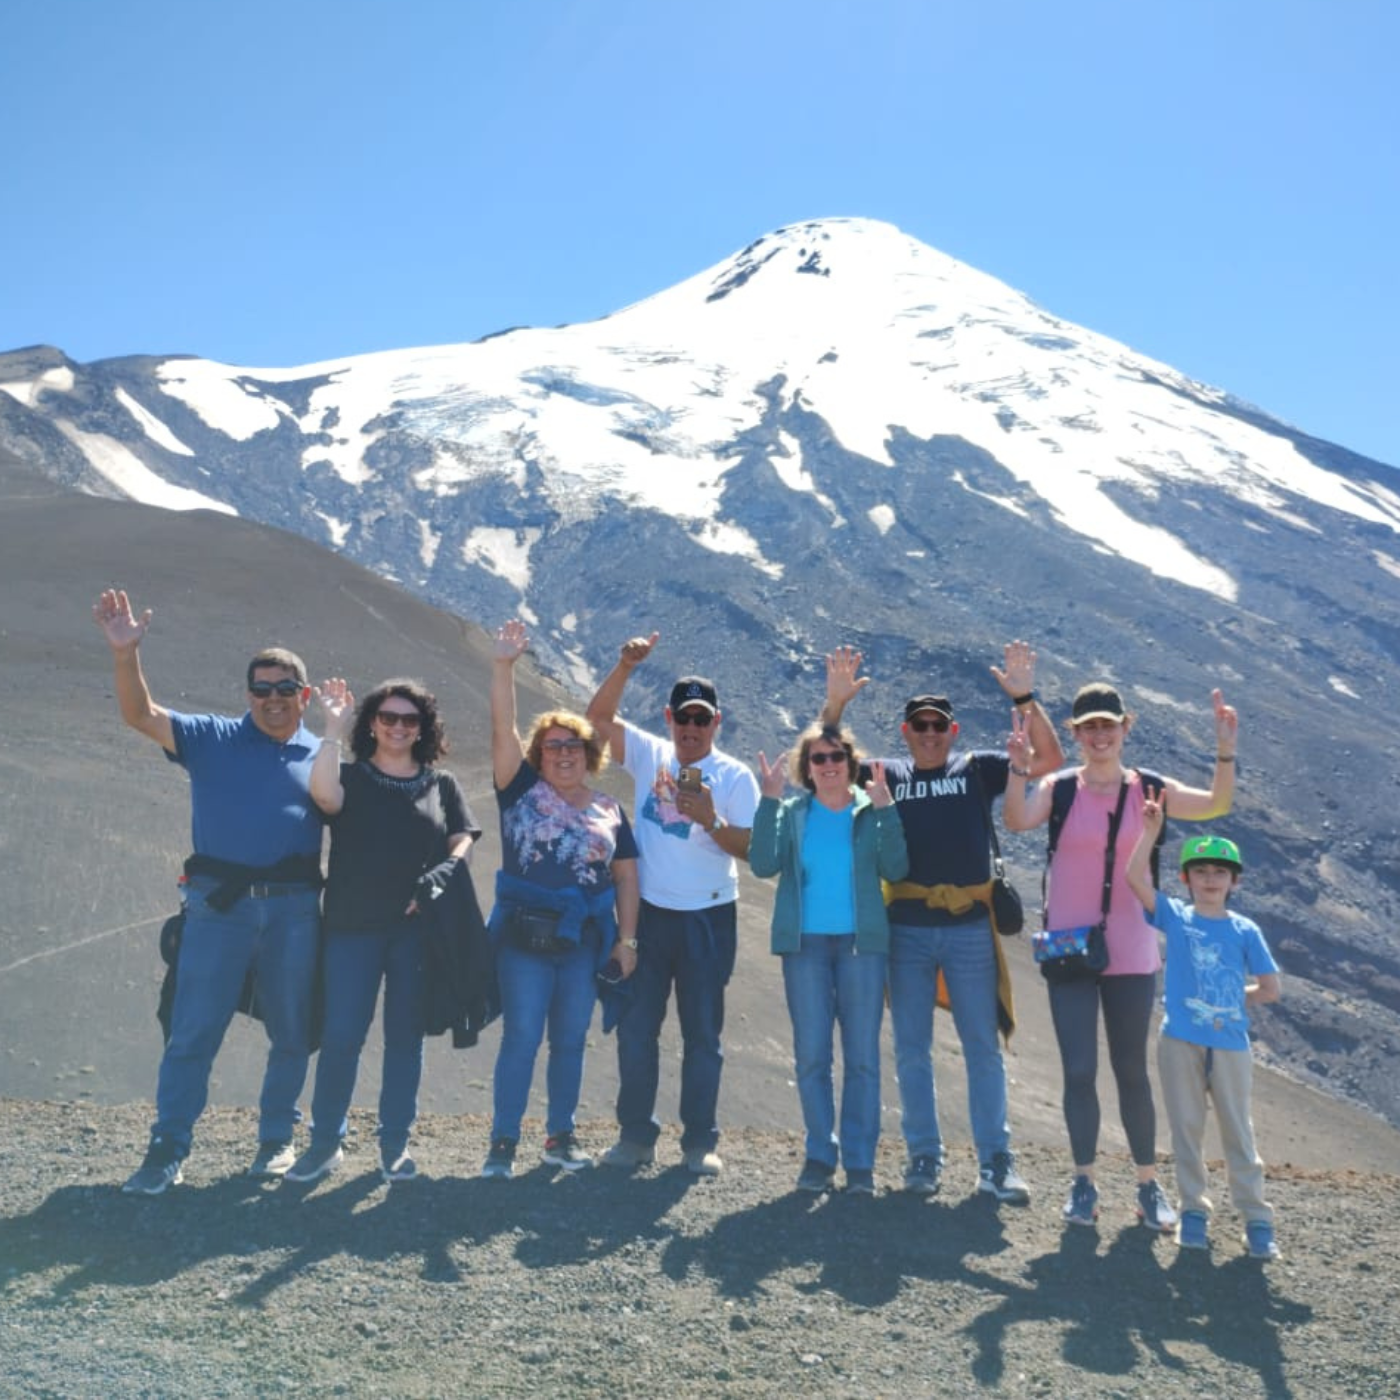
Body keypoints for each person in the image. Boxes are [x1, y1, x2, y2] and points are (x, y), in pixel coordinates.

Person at [93, 588, 323, 1195]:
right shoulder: (213, 736)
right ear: (248, 695)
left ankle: (277, 1138)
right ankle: (168, 1146)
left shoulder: (324, 756)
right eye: (261, 689)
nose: (272, 700)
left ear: (304, 695)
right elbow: (141, 716)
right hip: (219, 908)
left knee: (293, 1029)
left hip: (296, 912)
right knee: (196, 1027)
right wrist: (125, 655)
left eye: (283, 689)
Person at [822, 643, 1063, 1204]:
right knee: (911, 1046)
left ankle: (996, 1161)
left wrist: (1025, 697)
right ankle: (923, 1155)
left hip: (969, 928)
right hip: (904, 927)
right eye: (918, 726)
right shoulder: (885, 773)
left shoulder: (978, 768)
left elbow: (1049, 760)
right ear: (904, 731)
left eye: (938, 726)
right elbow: (824, 768)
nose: (929, 734)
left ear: (953, 730)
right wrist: (834, 706)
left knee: (982, 1044)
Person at [1004, 680, 1238, 1231]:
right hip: (1069, 949)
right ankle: (1083, 1182)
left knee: (1131, 1070)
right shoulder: (1060, 788)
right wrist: (1019, 768)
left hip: (1132, 951)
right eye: (1090, 727)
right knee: (1079, 1070)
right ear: (1077, 734)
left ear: (1126, 727)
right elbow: (1016, 820)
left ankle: (1147, 1185)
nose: (1100, 735)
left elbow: (1217, 803)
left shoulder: (1150, 790)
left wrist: (1225, 749)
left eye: (1109, 724)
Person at [284, 678, 479, 1185]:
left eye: (409, 720)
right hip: (352, 928)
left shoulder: (442, 785)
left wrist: (446, 871)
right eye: (388, 717)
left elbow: (462, 837)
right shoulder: (351, 776)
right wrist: (331, 726)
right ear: (372, 723)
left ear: (423, 729)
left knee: (404, 1041)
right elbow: (324, 797)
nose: (397, 727)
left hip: (415, 932)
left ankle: (394, 1145)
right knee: (342, 1036)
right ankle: (325, 1143)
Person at [585, 632, 760, 1175]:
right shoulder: (651, 753)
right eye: (683, 717)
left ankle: (699, 1142)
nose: (690, 728)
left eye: (701, 719)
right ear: (668, 718)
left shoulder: (735, 777)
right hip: (650, 913)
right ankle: (636, 1137)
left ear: (716, 723)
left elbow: (751, 850)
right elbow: (596, 721)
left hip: (710, 915)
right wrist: (624, 666)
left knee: (702, 1034)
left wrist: (710, 818)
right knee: (638, 1028)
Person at [483, 620, 640, 1178]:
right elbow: (501, 727)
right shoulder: (519, 790)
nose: (564, 754)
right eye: (553, 747)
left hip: (584, 941)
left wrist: (627, 940)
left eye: (574, 745)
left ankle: (560, 1136)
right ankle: (503, 1142)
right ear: (538, 755)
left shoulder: (608, 809)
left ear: (588, 753)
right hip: (525, 936)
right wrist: (503, 667)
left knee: (569, 1040)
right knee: (522, 1036)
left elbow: (625, 876)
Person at [749, 725, 908, 1194]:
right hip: (806, 949)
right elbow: (762, 863)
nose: (829, 764)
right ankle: (820, 1154)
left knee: (862, 1058)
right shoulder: (795, 813)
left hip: (862, 946)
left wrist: (887, 811)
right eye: (818, 758)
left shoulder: (870, 809)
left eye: (836, 755)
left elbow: (897, 868)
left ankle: (860, 1163)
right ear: (808, 768)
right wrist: (768, 800)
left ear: (850, 761)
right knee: (812, 1055)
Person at [1126, 804, 1282, 1259]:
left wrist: (1233, 999)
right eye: (1201, 871)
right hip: (1179, 1041)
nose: (1211, 879)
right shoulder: (1175, 915)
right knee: (1186, 1128)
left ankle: (1257, 1220)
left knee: (1238, 1132)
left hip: (1231, 1045)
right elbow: (1136, 880)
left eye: (1220, 872)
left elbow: (1270, 989)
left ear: (1236, 882)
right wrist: (1151, 832)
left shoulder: (1245, 930)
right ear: (1185, 879)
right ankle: (1194, 1210)